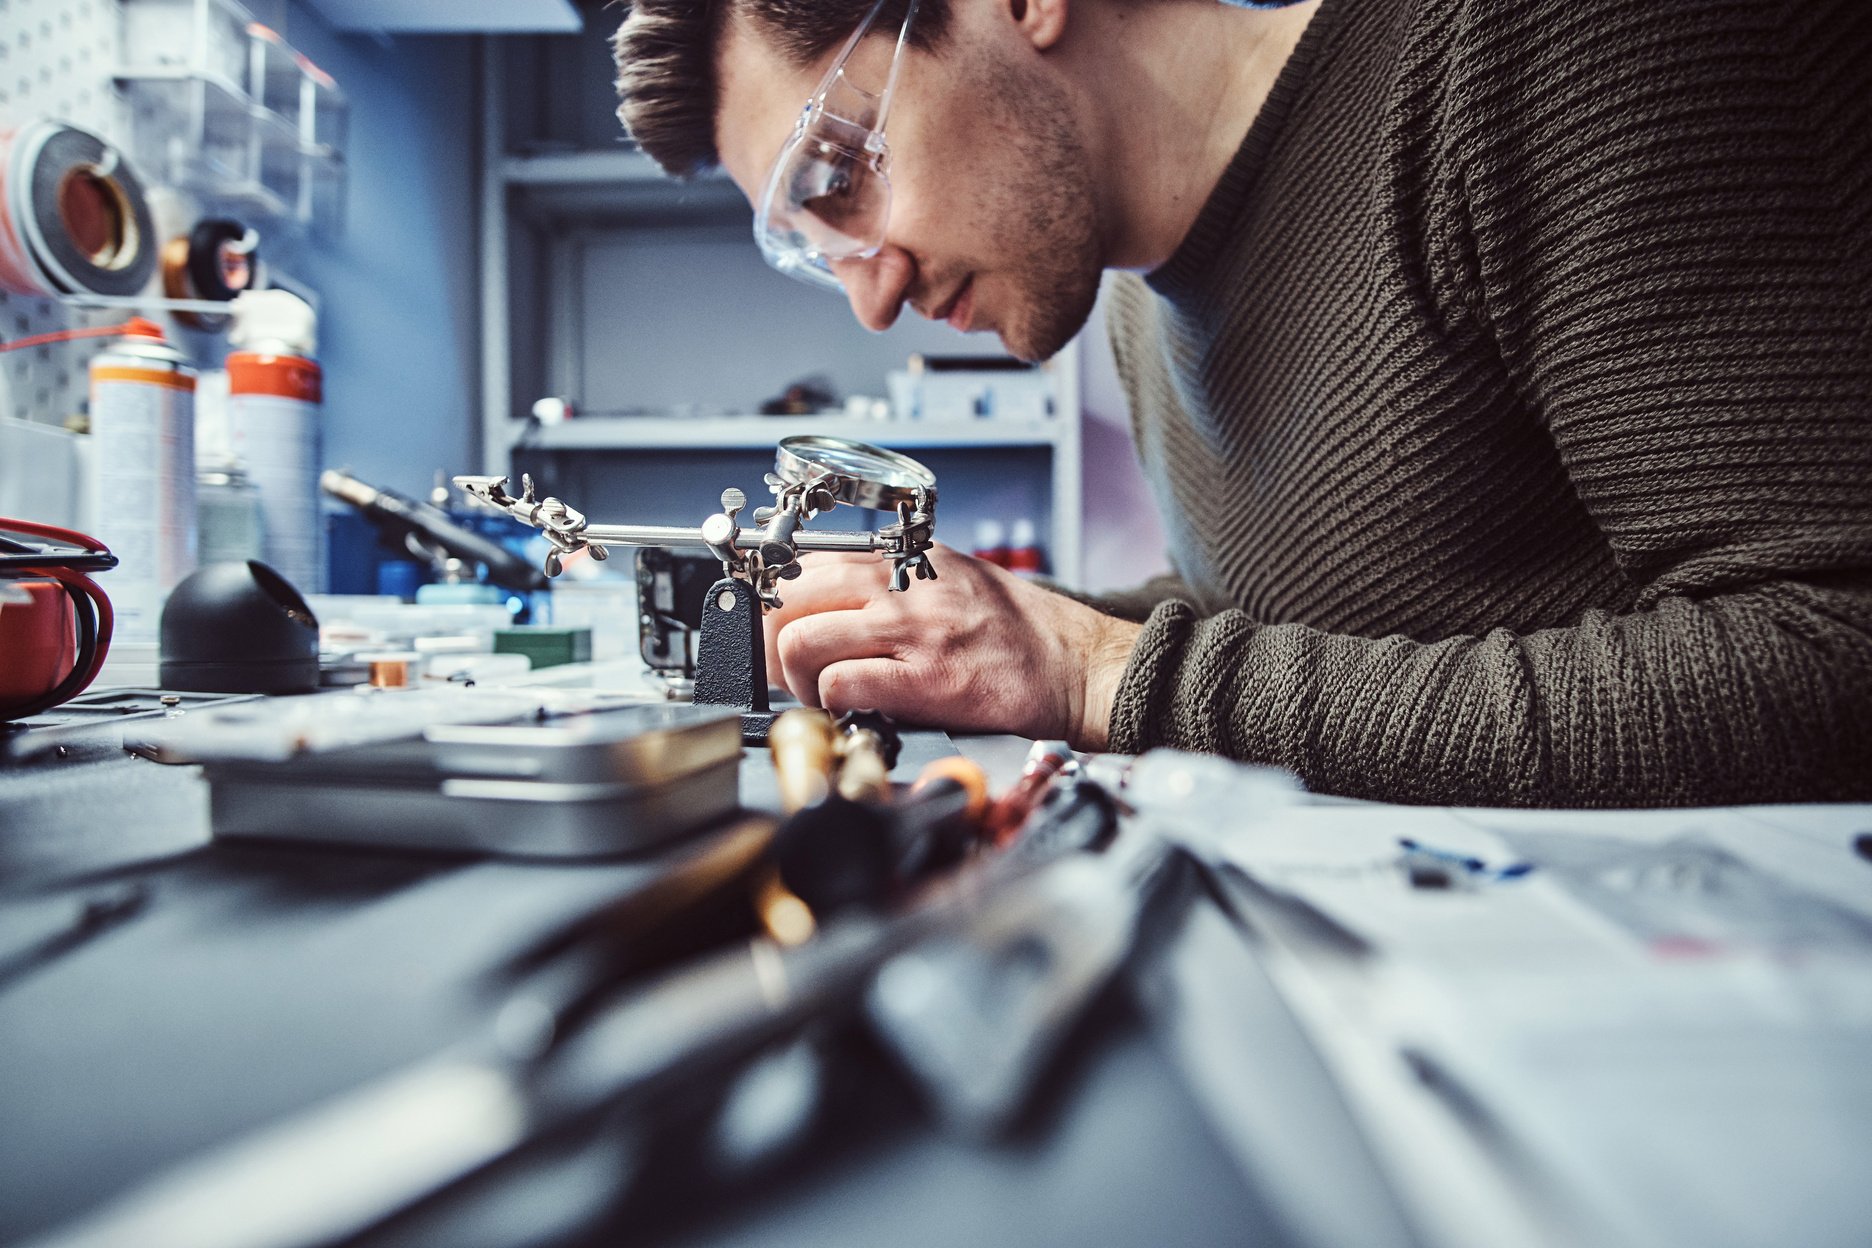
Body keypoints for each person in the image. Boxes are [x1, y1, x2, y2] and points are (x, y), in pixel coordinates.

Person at [610, 0, 1872, 806]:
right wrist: (966, 641)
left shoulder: (1539, 48)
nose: (869, 298)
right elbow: (1277, 622)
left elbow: (1833, 652)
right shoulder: (1137, 310)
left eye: (836, 176)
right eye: (811, 246)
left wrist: (1100, 673)